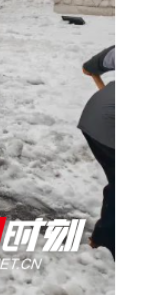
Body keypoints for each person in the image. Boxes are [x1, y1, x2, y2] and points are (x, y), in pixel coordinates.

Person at [80, 45, 117, 261]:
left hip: (95, 114)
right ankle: (106, 241)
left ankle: (102, 237)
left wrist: (91, 67)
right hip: (109, 125)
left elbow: (93, 65)